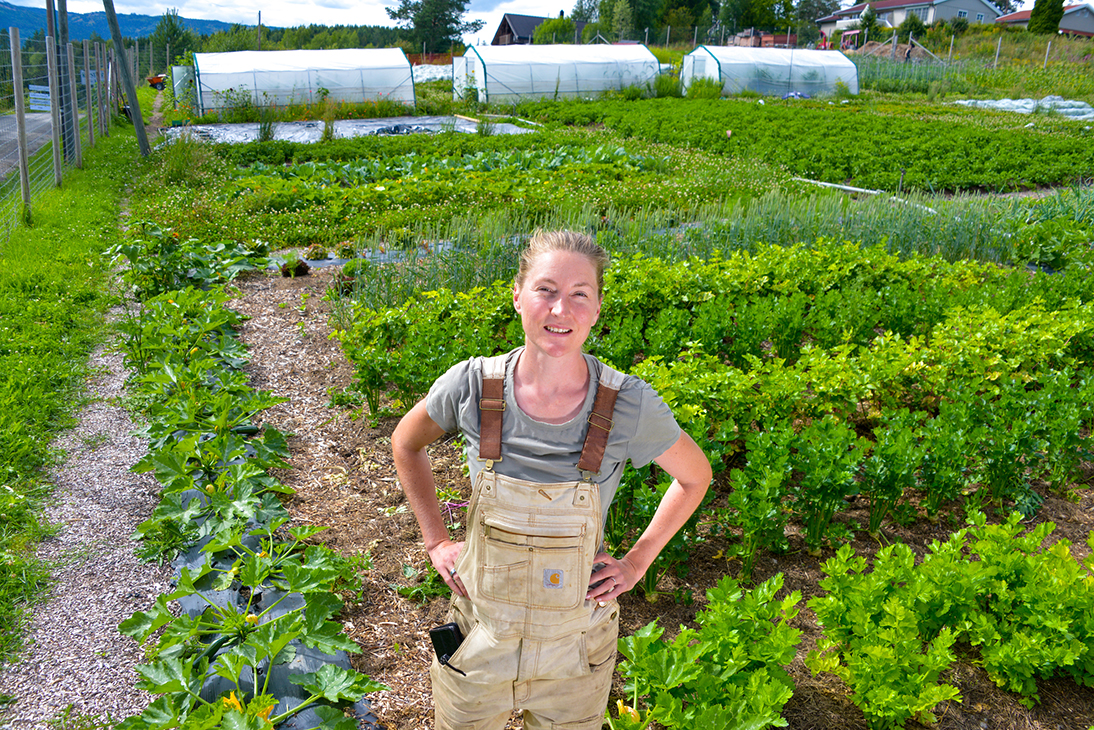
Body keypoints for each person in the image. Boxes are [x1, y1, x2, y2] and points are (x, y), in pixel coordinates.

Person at [392, 230, 712, 730]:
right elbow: (405, 443)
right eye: (546, 289)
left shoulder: (627, 404)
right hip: (479, 645)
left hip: (575, 656)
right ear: (518, 296)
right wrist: (436, 541)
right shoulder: (473, 385)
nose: (561, 309)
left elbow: (695, 477)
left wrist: (636, 563)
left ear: (597, 308)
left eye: (580, 294)